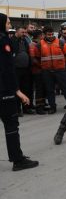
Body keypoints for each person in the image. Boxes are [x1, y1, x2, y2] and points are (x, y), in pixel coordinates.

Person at [0, 13, 39, 171]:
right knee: (11, 125)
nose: (9, 25)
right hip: (4, 91)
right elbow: (7, 70)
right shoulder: (3, 40)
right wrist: (17, 91)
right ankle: (17, 160)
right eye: (8, 22)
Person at [37, 26, 66, 114]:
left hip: (60, 70)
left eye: (52, 34)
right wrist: (44, 66)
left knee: (65, 88)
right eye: (49, 34)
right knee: (49, 90)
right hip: (47, 71)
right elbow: (38, 57)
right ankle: (52, 107)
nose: (51, 36)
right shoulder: (40, 44)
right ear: (44, 35)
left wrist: (61, 63)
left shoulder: (60, 42)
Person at [11, 26, 34, 116]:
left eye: (25, 32)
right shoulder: (12, 41)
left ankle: (26, 108)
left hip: (26, 69)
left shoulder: (24, 41)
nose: (24, 34)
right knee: (17, 89)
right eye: (22, 32)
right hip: (16, 70)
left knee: (26, 89)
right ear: (17, 32)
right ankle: (17, 110)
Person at [29, 29, 47, 115]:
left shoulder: (39, 44)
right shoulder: (33, 45)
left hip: (42, 70)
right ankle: (39, 107)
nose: (43, 36)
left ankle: (43, 105)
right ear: (40, 36)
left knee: (43, 88)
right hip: (37, 71)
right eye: (42, 35)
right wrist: (42, 66)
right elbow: (33, 59)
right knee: (39, 89)